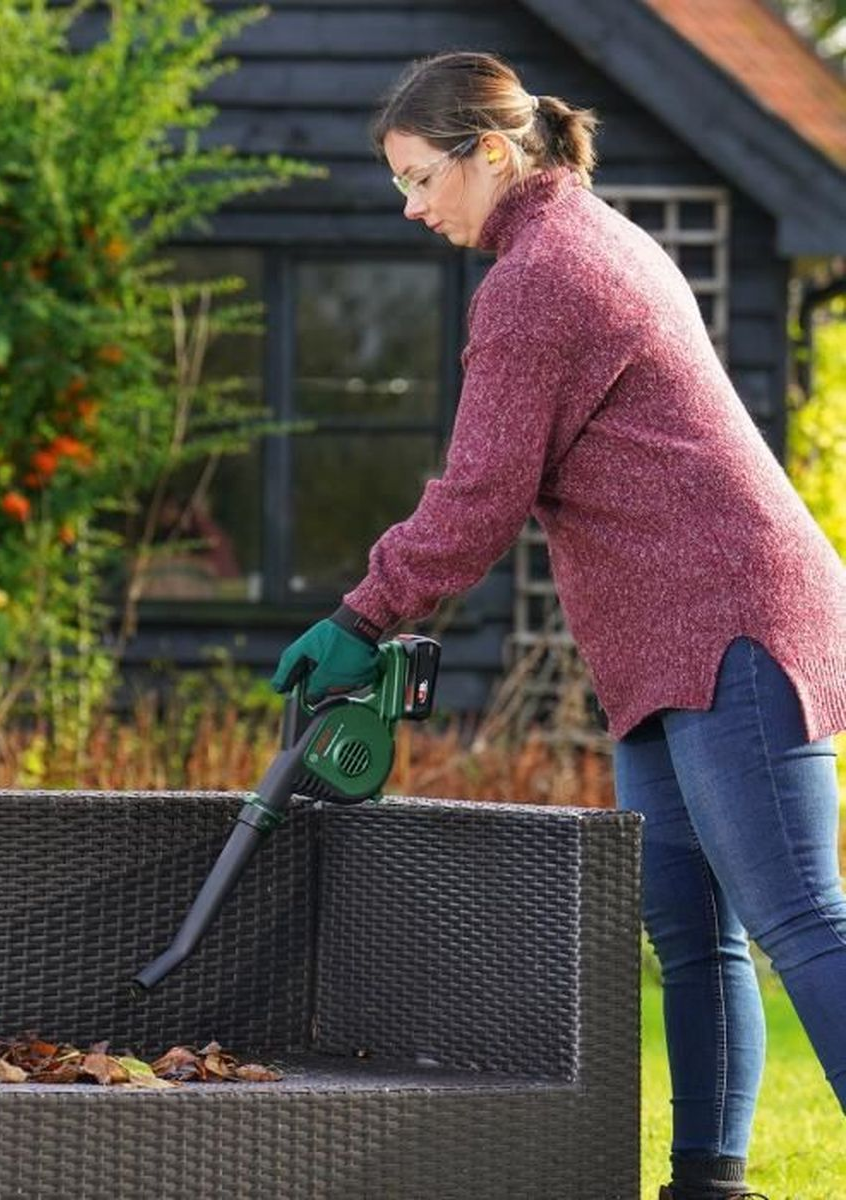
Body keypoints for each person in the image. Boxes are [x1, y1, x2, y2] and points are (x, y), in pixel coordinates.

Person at [269, 50, 846, 1200]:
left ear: (491, 152)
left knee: (796, 918)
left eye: (420, 176)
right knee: (692, 929)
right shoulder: (585, 239)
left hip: (731, 621)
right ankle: (708, 1181)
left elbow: (480, 497)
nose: (411, 206)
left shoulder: (541, 278)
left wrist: (362, 613)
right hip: (664, 641)